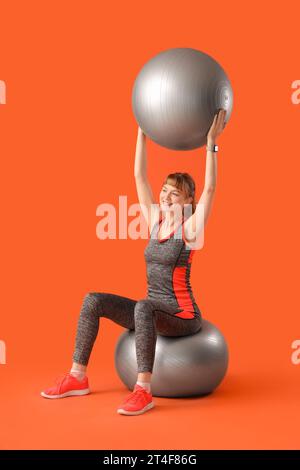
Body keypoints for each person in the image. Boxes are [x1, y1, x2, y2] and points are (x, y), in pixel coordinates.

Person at [41, 109, 227, 416]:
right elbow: (139, 176)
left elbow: (210, 189)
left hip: (181, 314)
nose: (166, 197)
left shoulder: (191, 228)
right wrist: (143, 131)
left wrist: (211, 143)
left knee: (144, 306)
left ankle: (144, 391)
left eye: (175, 195)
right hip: (151, 310)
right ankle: (77, 377)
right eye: (165, 191)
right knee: (92, 301)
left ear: (188, 204)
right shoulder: (154, 221)